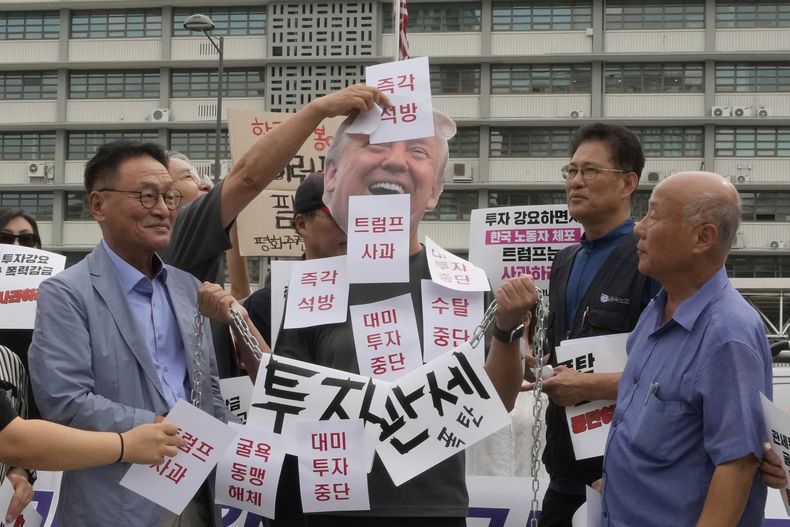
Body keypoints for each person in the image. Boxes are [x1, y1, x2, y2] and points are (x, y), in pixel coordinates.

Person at [270, 110, 533, 526]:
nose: (395, 161)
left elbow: (495, 403)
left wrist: (508, 327)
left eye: (417, 151)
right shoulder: (314, 283)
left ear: (435, 192)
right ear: (333, 175)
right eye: (375, 146)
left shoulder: (463, 282)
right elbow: (286, 401)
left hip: (433, 507)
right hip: (330, 506)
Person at [28, 140, 231, 527]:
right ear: (98, 205)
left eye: (169, 196)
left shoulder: (189, 288)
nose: (162, 209)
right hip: (115, 500)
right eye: (146, 196)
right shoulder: (67, 293)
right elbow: (66, 403)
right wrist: (162, 430)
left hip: (196, 494)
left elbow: (209, 390)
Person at [160, 84, 390, 378]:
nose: (206, 184)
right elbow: (247, 178)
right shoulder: (179, 235)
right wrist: (318, 109)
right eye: (190, 178)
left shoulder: (378, 288)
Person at [599, 171, 772, 526]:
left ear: (702, 237)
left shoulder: (728, 335)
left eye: (654, 216)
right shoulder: (657, 309)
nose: (639, 228)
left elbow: (737, 466)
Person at [513, 123, 658, 527]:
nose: (576, 182)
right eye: (571, 171)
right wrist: (531, 361)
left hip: (624, 470)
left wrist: (587, 386)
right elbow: (557, 355)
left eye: (590, 172)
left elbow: (671, 369)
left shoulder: (650, 257)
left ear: (628, 182)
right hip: (564, 465)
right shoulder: (566, 260)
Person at [0, 392, 184, 522]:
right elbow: (13, 440)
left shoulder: (12, 362)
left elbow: (18, 430)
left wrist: (19, 472)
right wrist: (125, 445)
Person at [243, 170, 347, 351]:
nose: (349, 225)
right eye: (337, 215)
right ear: (302, 224)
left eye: (357, 215)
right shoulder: (266, 304)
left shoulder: (377, 294)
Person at [0, 209, 43, 418]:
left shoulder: (57, 291)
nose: (16, 246)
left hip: (39, 405)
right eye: (5, 238)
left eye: (26, 239)